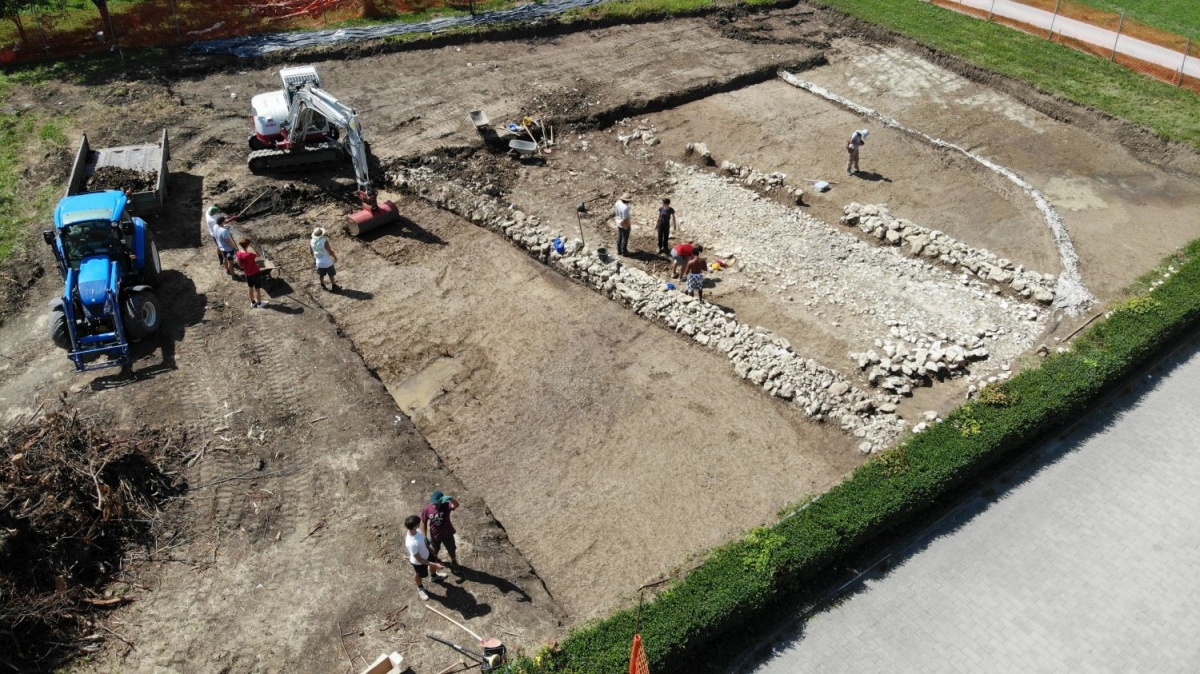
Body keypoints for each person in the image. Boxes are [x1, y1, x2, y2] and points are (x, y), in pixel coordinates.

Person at [405, 515, 448, 601]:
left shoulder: (417, 531)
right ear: (414, 526)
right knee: (419, 575)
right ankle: (420, 588)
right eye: (418, 523)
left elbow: (423, 542)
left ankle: (434, 577)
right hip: (418, 562)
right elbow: (419, 559)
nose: (420, 524)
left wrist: (430, 549)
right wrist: (435, 565)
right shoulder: (412, 543)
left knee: (432, 565)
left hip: (427, 554)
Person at [421, 490, 460, 573]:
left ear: (442, 501)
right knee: (434, 551)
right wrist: (424, 536)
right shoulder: (427, 509)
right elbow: (424, 523)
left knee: (451, 549)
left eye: (437, 504)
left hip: (447, 533)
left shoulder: (446, 506)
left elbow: (456, 505)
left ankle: (453, 561)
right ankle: (434, 562)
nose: (435, 506)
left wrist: (451, 499)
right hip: (435, 535)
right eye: (434, 504)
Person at [235, 238, 268, 308]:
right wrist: (254, 248)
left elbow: (240, 264)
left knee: (250, 287)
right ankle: (259, 303)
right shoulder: (249, 255)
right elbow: (258, 255)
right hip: (255, 273)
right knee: (257, 289)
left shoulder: (238, 253)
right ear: (247, 245)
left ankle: (253, 302)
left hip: (247, 273)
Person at [311, 227, 340, 291]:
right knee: (331, 275)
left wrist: (315, 259)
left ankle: (322, 284)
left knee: (321, 275)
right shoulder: (324, 241)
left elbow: (311, 252)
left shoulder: (311, 242)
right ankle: (334, 285)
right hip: (327, 262)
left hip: (319, 262)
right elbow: (330, 251)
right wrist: (335, 257)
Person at [614, 192, 632, 257]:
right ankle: (624, 251)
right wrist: (627, 226)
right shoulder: (625, 208)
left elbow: (616, 211)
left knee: (620, 236)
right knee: (625, 237)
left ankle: (619, 250)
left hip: (618, 221)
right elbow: (625, 219)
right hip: (623, 223)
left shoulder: (618, 202)